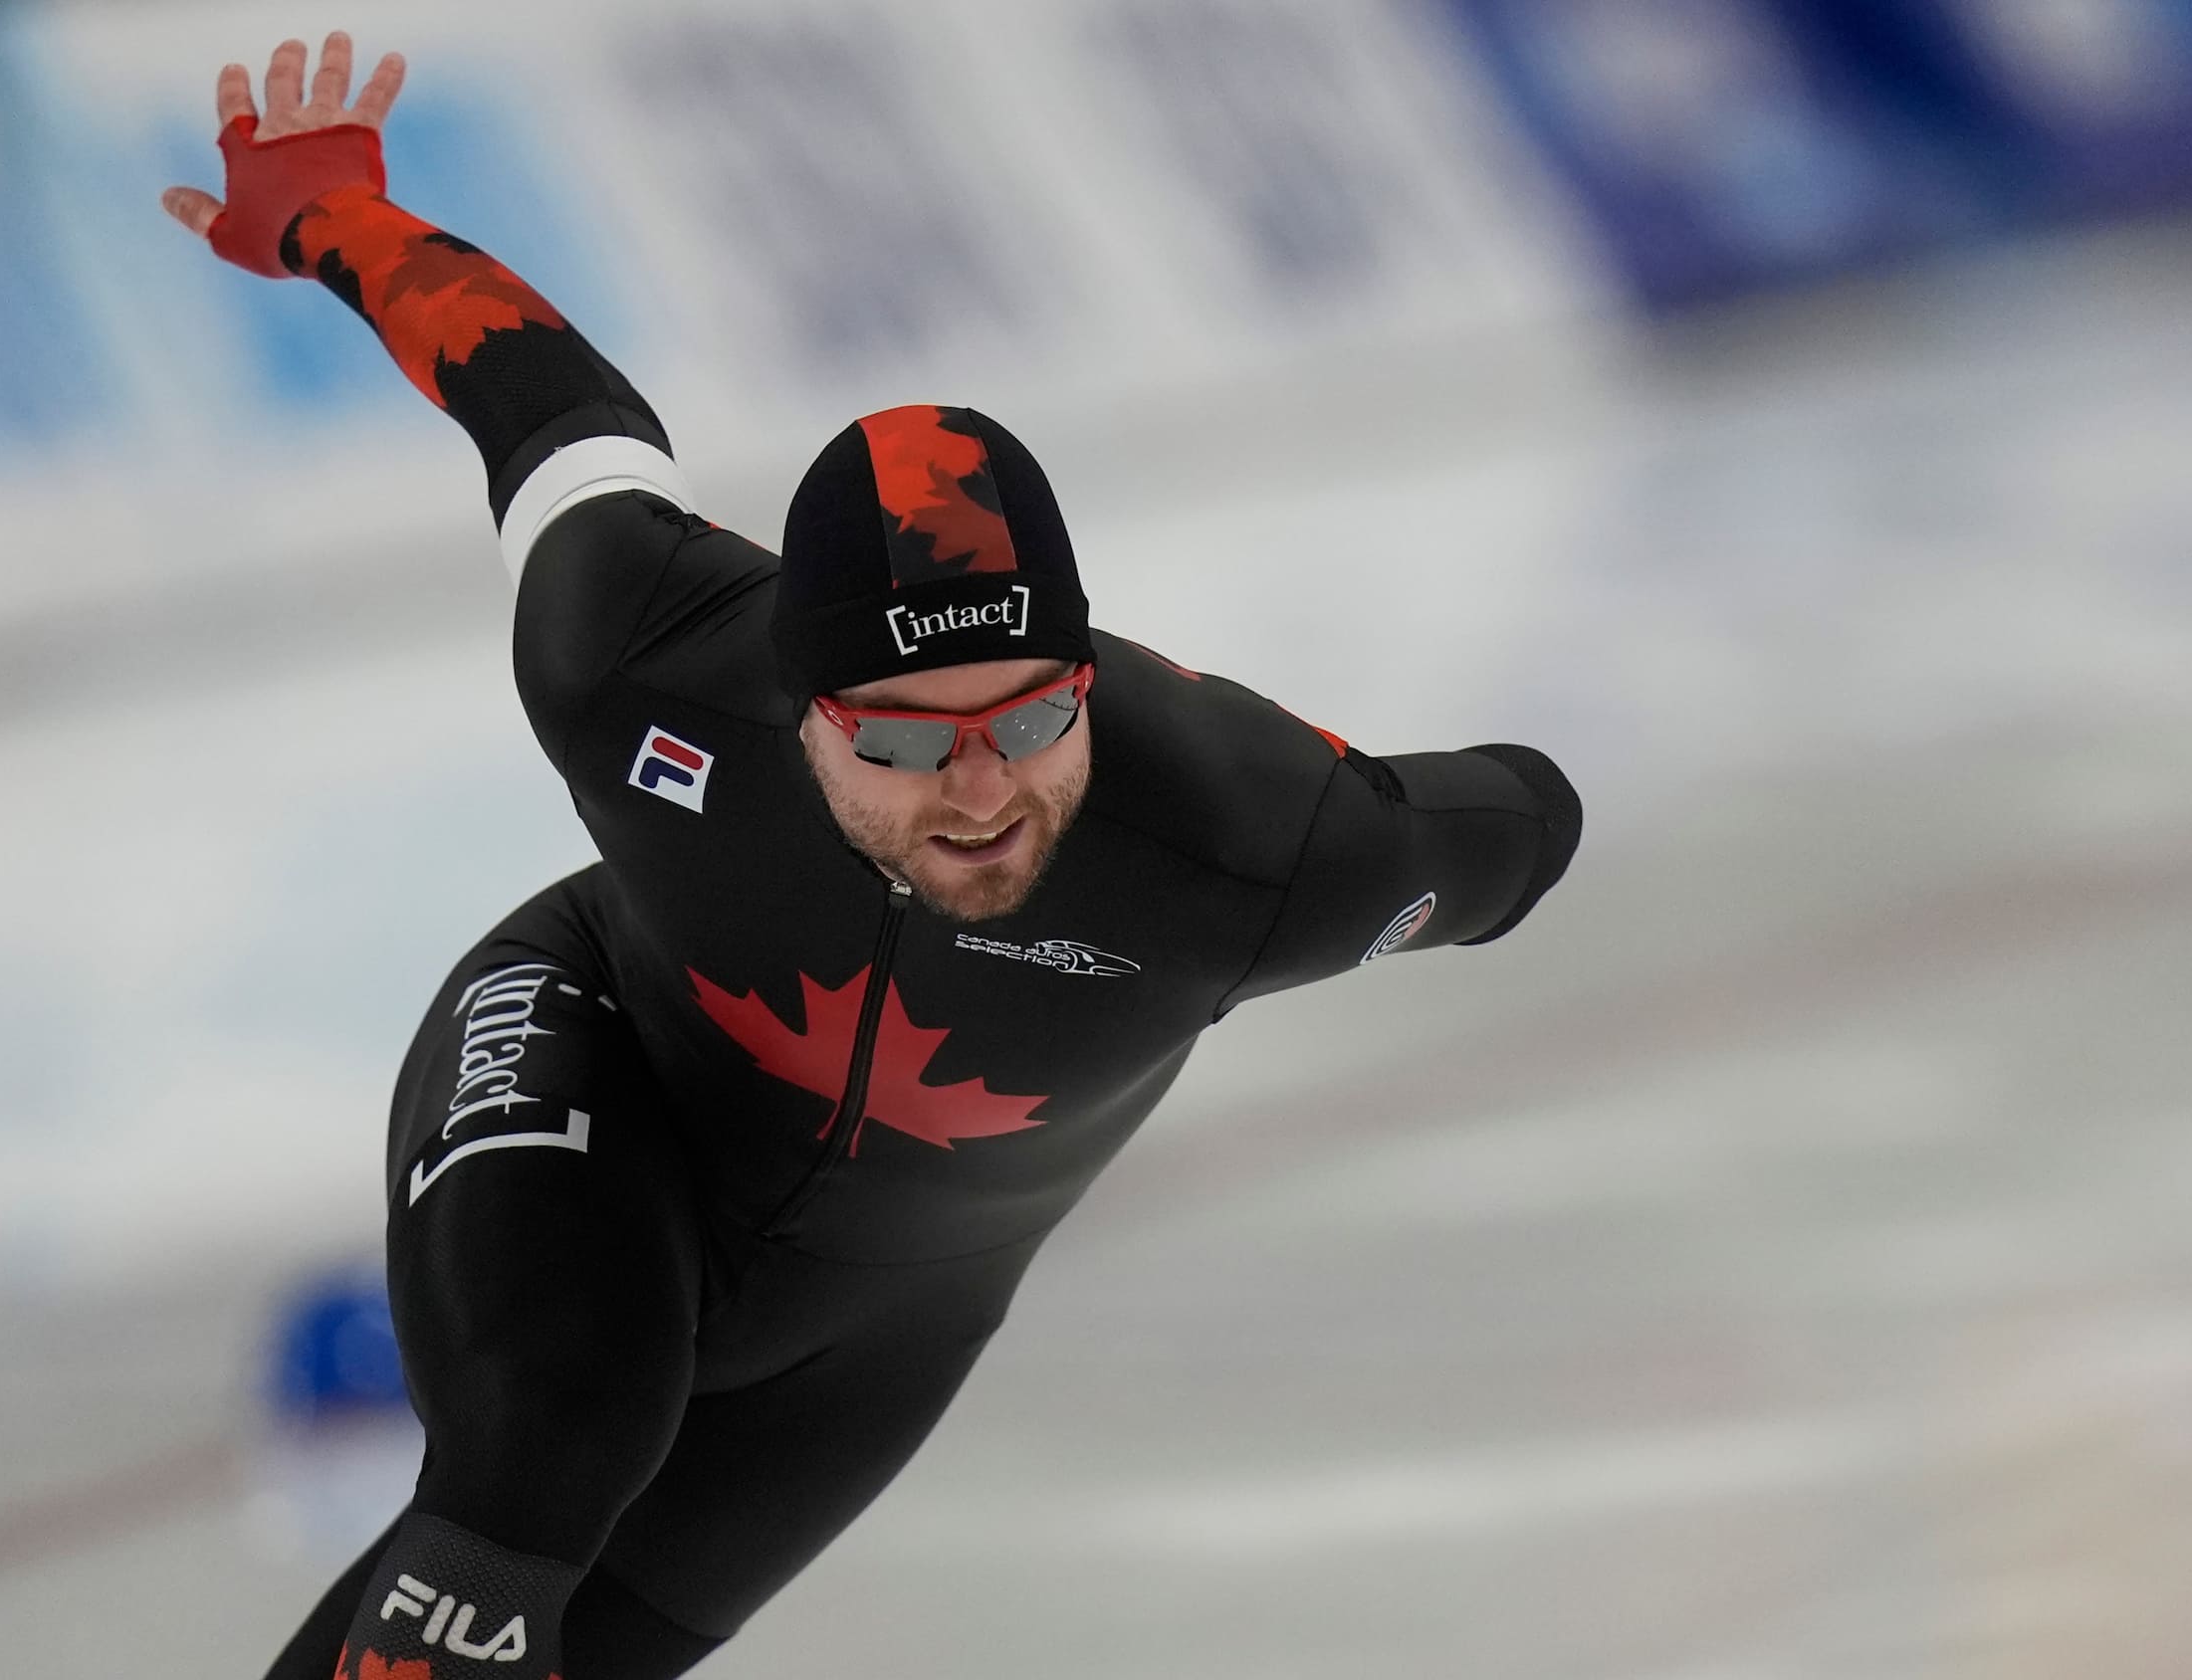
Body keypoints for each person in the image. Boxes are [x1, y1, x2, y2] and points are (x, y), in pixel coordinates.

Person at [164, 34, 1581, 1680]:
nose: (977, 791)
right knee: (547, 1454)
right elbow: (543, 397)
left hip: (887, 1321)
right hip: (597, 1058)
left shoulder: (1253, 843)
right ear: (795, 706)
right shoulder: (631, 647)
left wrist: (1479, 840)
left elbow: (1515, 824)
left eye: (1031, 720)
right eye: (901, 742)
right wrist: (331, 212)